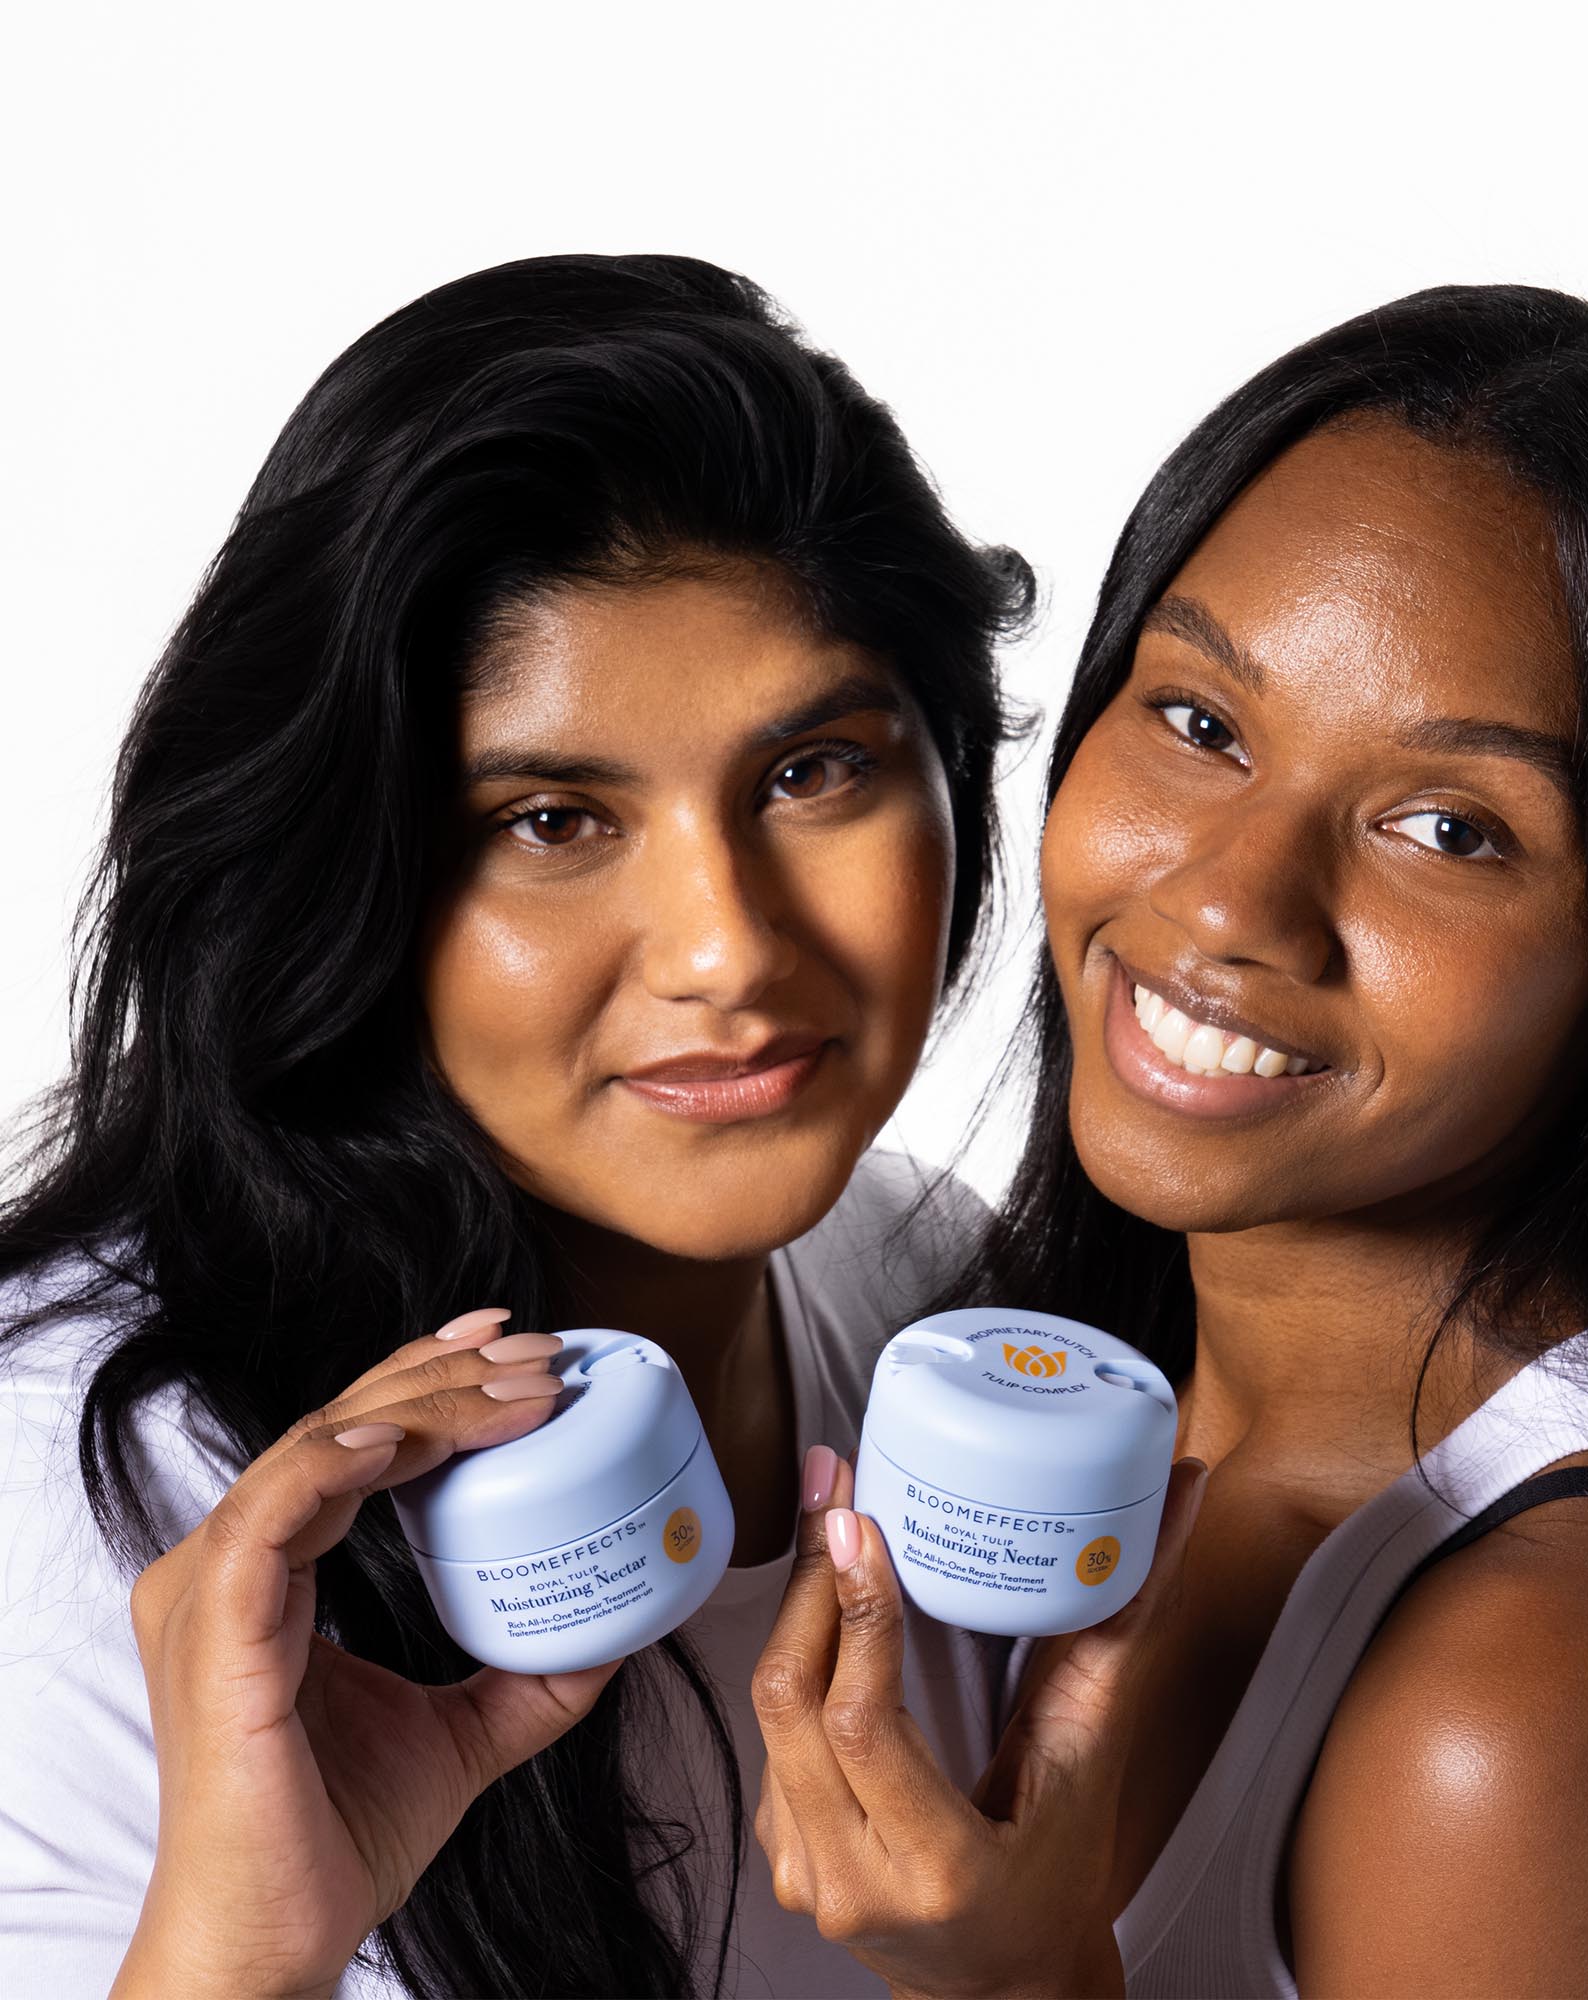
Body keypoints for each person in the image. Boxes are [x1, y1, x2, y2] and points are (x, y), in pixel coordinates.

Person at [747, 284, 1588, 1996]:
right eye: (1199, 723)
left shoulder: (1525, 1706)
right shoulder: (1096, 1412)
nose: (1230, 901)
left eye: (1446, 827)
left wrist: (1022, 1986)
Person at [0, 253, 1032, 1999]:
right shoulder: (79, 1508)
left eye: (814, 772)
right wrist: (241, 1951)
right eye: (555, 818)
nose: (730, 950)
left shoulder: (941, 1300)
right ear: (350, 878)